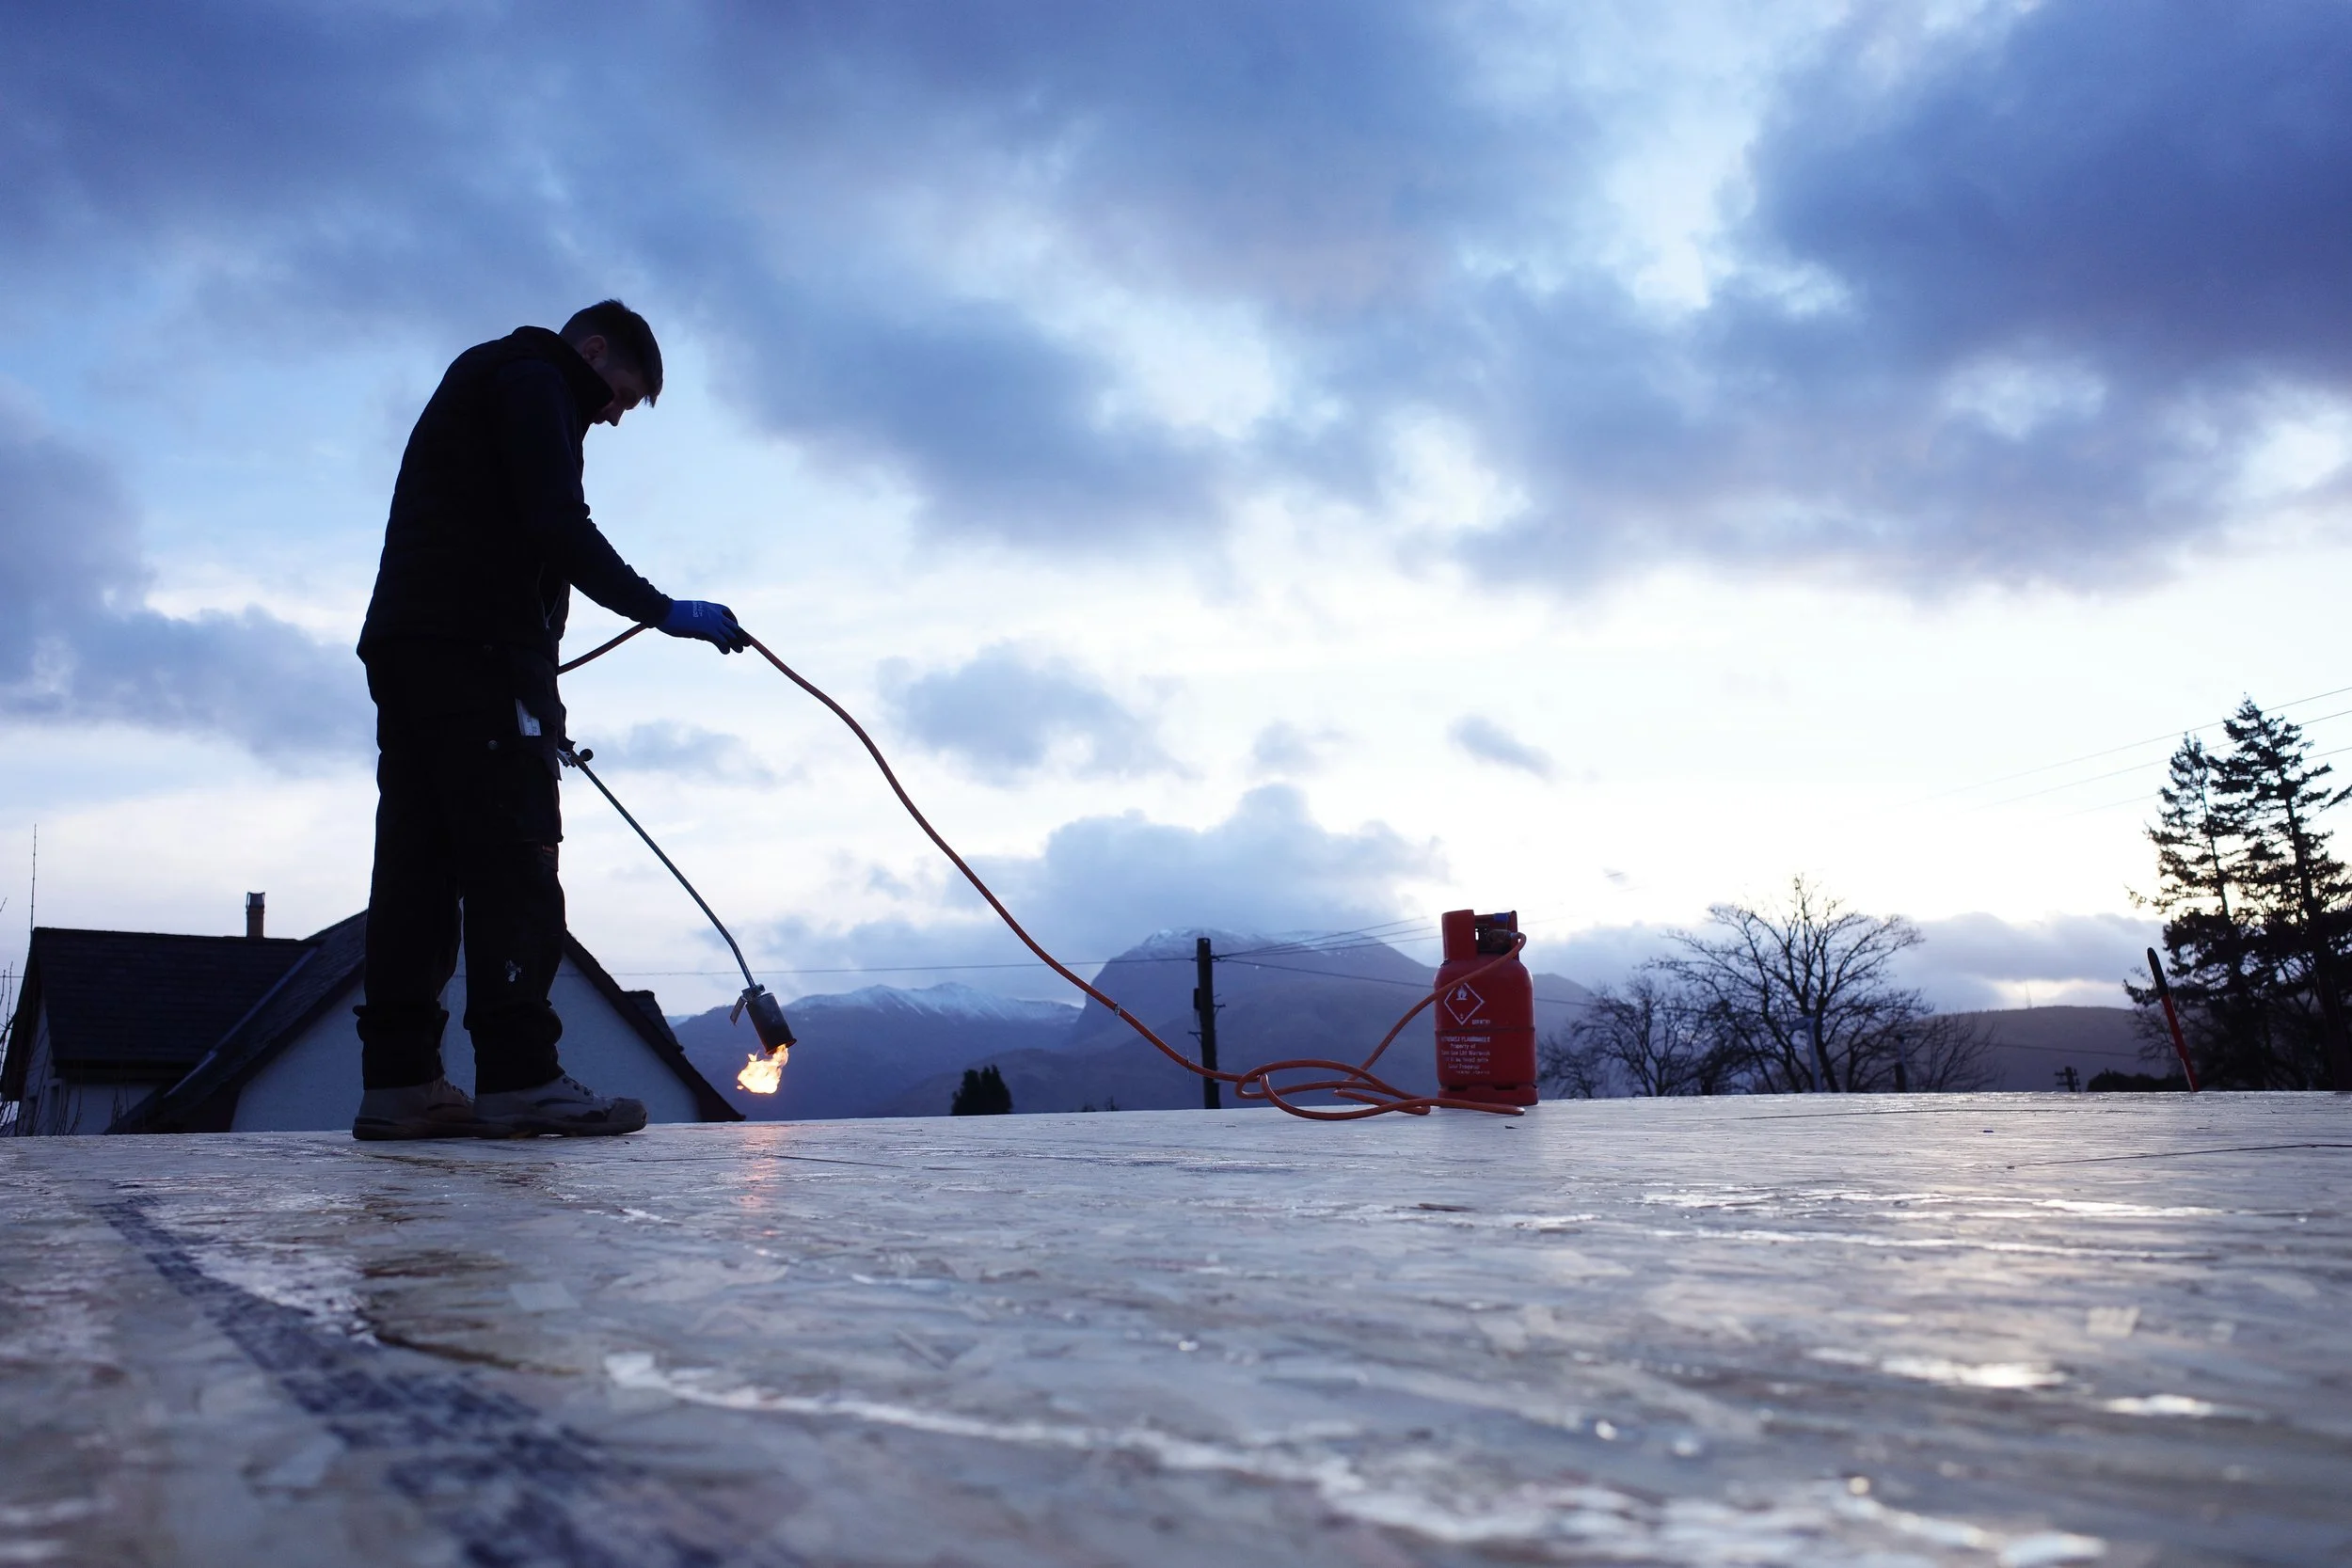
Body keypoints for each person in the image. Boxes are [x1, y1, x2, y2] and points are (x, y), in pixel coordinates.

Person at [350, 301, 749, 1140]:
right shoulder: (539, 382)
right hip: (481, 654)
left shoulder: (482, 374)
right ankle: (522, 1076)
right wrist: (661, 609)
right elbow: (556, 523)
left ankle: (400, 1082)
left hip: (412, 645)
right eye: (622, 396)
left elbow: (503, 526)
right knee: (513, 858)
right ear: (594, 350)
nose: (611, 415)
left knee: (418, 865)